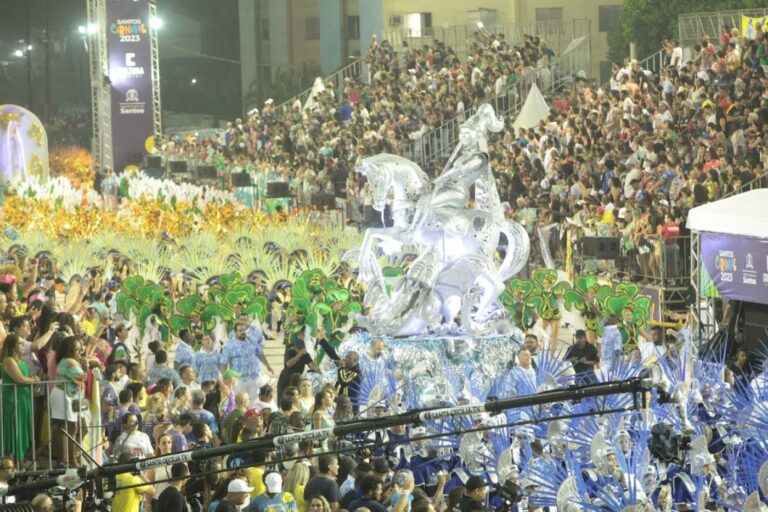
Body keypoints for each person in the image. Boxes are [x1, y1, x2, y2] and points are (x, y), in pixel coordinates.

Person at [1, 334, 38, 461]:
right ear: (12, 346)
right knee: (14, 429)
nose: (23, 346)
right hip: (13, 399)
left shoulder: (20, 360)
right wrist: (34, 380)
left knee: (22, 429)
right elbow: (19, 379)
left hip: (24, 399)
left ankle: (19, 461)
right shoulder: (8, 360)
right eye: (20, 344)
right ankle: (11, 463)